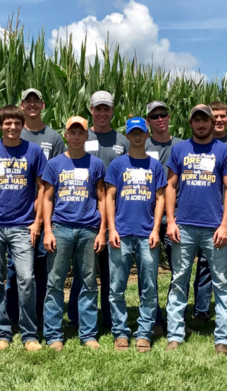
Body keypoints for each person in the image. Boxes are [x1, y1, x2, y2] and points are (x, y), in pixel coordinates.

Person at [164, 104, 227, 354]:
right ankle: (175, 334)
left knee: (221, 281)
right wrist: (171, 220)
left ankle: (223, 338)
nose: (201, 125)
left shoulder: (224, 151)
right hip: (183, 226)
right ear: (191, 123)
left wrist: (226, 224)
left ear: (211, 123)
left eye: (205, 120)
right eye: (197, 120)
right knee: (178, 281)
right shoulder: (179, 149)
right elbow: (171, 186)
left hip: (214, 227)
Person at [0, 105, 47, 352]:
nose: (12, 127)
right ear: (0, 125)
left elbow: (43, 189)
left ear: (22, 124)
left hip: (22, 226)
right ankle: (1, 335)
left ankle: (29, 335)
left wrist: (37, 221)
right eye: (7, 123)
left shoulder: (34, 152)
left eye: (17, 123)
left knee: (26, 279)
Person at [42, 116, 107, 351]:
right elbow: (47, 198)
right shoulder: (55, 164)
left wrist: (102, 232)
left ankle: (88, 334)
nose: (77, 137)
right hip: (60, 228)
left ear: (86, 136)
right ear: (66, 135)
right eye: (73, 132)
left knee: (89, 283)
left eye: (81, 133)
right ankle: (53, 335)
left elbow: (101, 198)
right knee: (55, 283)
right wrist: (47, 230)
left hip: (89, 229)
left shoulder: (96, 164)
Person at [105, 117, 166, 353]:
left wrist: (155, 229)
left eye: (141, 132)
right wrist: (112, 228)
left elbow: (160, 198)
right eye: (133, 133)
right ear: (127, 136)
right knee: (117, 286)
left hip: (146, 233)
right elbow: (110, 197)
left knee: (149, 286)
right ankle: (120, 332)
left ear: (147, 135)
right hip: (121, 233)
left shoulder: (155, 166)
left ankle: (144, 333)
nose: (138, 136)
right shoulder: (118, 165)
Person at [69, 90, 129, 329]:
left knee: (109, 271)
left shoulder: (122, 141)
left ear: (112, 111)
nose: (102, 113)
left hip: (114, 212)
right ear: (91, 110)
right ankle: (76, 317)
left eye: (107, 108)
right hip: (83, 212)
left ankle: (109, 318)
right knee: (84, 271)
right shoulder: (82, 135)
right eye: (98, 108)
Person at [12, 88, 66, 327]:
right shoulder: (13, 132)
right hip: (17, 213)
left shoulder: (53, 138)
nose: (32, 104)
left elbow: (60, 176)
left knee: (43, 267)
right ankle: (14, 315)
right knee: (15, 268)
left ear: (43, 105)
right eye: (28, 101)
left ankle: (42, 316)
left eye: (36, 101)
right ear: (21, 105)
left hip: (46, 213)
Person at [192, 101, 227, 328]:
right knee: (204, 266)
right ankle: (201, 310)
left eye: (223, 116)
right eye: (215, 116)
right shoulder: (199, 144)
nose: (219, 120)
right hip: (205, 217)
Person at [144, 100, 183, 333]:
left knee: (177, 270)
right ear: (148, 121)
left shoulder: (180, 146)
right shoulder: (139, 142)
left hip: (174, 216)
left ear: (169, 117)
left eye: (163, 114)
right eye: (154, 116)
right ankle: (154, 318)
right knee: (148, 272)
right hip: (145, 216)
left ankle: (173, 316)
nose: (160, 119)